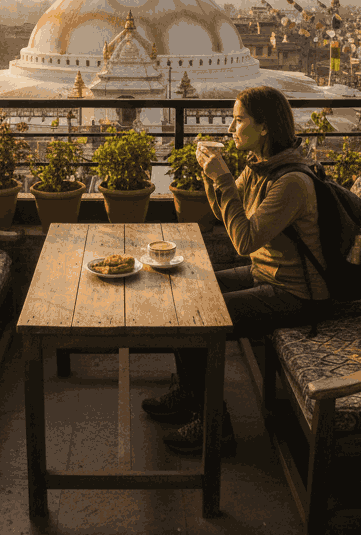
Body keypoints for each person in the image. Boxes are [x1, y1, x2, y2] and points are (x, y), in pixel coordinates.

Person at [142, 85, 333, 455]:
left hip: (298, 294)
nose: (231, 127)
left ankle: (215, 425)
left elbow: (243, 241)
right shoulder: (262, 168)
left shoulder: (291, 180)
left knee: (197, 317)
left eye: (239, 119)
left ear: (264, 128)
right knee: (183, 290)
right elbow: (222, 214)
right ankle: (189, 393)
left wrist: (225, 179)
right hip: (267, 274)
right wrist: (210, 175)